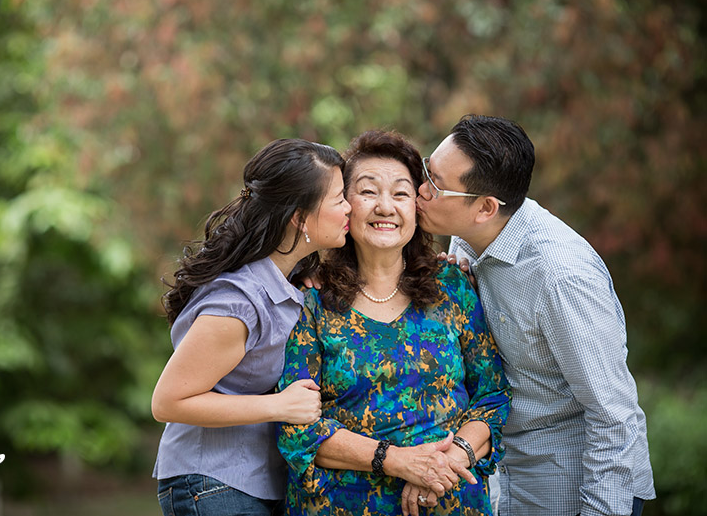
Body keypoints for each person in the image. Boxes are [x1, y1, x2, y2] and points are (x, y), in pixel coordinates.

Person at [416, 114, 655, 516]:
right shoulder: (468, 236)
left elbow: (614, 415)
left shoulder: (561, 277)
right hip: (505, 476)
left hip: (574, 486)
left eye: (436, 186)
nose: (420, 190)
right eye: (427, 171)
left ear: (486, 208)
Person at [277, 130, 511, 516]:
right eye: (368, 192)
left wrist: (447, 463)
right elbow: (297, 426)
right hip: (343, 505)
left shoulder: (452, 287)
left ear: (417, 209)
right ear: (344, 205)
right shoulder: (311, 300)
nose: (385, 206)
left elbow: (492, 396)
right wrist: (399, 461)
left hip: (450, 502)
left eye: (401, 193)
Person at [151, 138, 352, 516]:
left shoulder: (287, 283)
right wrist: (279, 405)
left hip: (252, 483)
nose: (350, 208)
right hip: (210, 482)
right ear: (300, 217)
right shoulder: (239, 303)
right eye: (340, 197)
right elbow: (168, 402)